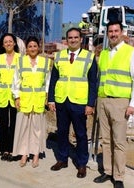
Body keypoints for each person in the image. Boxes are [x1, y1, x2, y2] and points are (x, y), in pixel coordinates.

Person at [93, 21, 134, 188]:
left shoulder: (130, 52)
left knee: (119, 142)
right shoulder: (105, 53)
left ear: (122, 32)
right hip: (103, 100)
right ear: (107, 34)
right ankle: (108, 171)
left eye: (116, 31)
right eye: (110, 31)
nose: (113, 34)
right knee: (106, 140)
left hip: (120, 103)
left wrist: (133, 104)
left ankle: (119, 176)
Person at [48, 27, 98, 178]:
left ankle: (82, 164)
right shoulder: (59, 56)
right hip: (62, 100)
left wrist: (90, 104)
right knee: (62, 132)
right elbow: (53, 79)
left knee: (81, 134)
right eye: (70, 38)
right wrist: (51, 99)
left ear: (81, 39)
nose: (73, 40)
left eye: (76, 37)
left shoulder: (89, 57)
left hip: (79, 102)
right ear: (66, 40)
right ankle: (62, 159)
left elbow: (93, 83)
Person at [12, 36, 51, 168]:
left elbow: (47, 82)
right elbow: (16, 80)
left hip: (39, 100)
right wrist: (16, 97)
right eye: (30, 46)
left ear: (38, 48)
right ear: (26, 49)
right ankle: (24, 154)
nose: (33, 48)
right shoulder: (21, 62)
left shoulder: (45, 62)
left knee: (37, 129)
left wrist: (47, 96)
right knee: (23, 128)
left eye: (35, 46)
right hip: (25, 100)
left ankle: (35, 155)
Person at [0, 33, 20, 162]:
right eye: (5, 42)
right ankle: (4, 149)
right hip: (2, 95)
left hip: (16, 96)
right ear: (2, 45)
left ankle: (12, 149)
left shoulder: (21, 58)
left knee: (14, 124)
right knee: (3, 124)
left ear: (14, 43)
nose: (8, 43)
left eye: (10, 41)